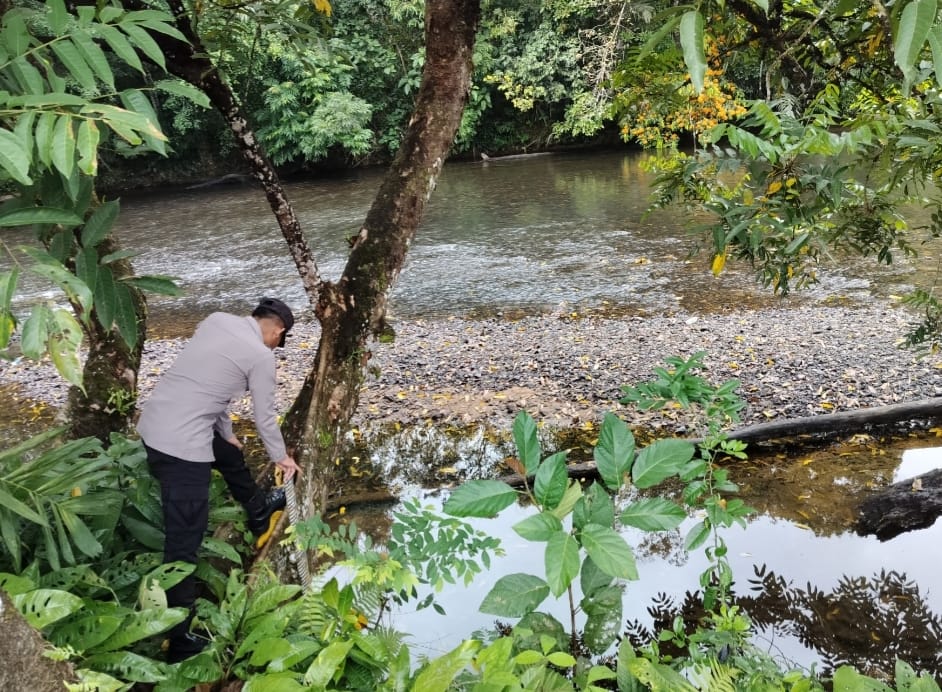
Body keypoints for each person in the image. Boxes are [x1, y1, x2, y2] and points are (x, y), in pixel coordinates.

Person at [137, 297, 302, 663]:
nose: (277, 343)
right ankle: (179, 639)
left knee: (228, 453)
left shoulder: (216, 320)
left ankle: (258, 510)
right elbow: (265, 417)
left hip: (154, 426)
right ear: (277, 330)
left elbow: (212, 386)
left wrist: (225, 434)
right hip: (181, 450)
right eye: (280, 338)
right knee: (184, 543)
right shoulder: (261, 356)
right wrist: (282, 457)